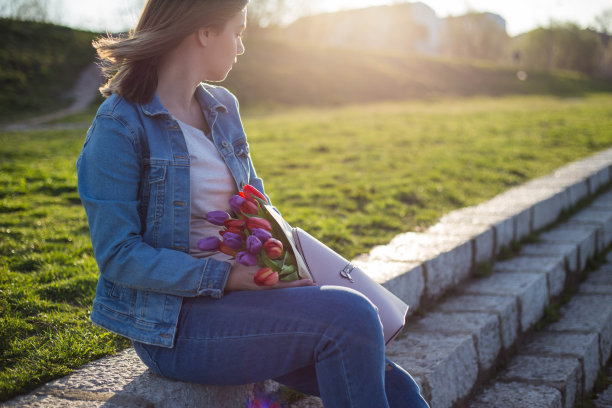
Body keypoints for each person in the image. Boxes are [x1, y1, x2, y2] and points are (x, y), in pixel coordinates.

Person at [77, 1, 429, 407]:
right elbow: (118, 255)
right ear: (204, 32)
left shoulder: (222, 108)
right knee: (349, 317)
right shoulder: (119, 125)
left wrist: (283, 266)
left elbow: (257, 206)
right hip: (175, 327)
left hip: (248, 303)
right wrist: (225, 278)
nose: (241, 47)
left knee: (389, 379)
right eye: (238, 32)